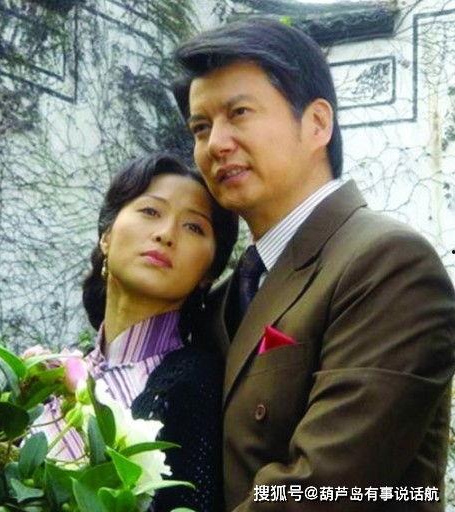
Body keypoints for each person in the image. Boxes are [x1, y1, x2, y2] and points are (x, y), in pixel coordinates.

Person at [173, 18, 455, 511]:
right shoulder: (223, 300)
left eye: (239, 113)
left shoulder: (387, 264)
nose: (215, 143)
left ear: (317, 124)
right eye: (201, 127)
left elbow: (320, 490)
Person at [34, 153, 238, 511]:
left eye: (194, 227)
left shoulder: (197, 384)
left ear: (209, 272)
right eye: (150, 211)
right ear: (106, 236)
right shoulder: (56, 376)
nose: (165, 234)